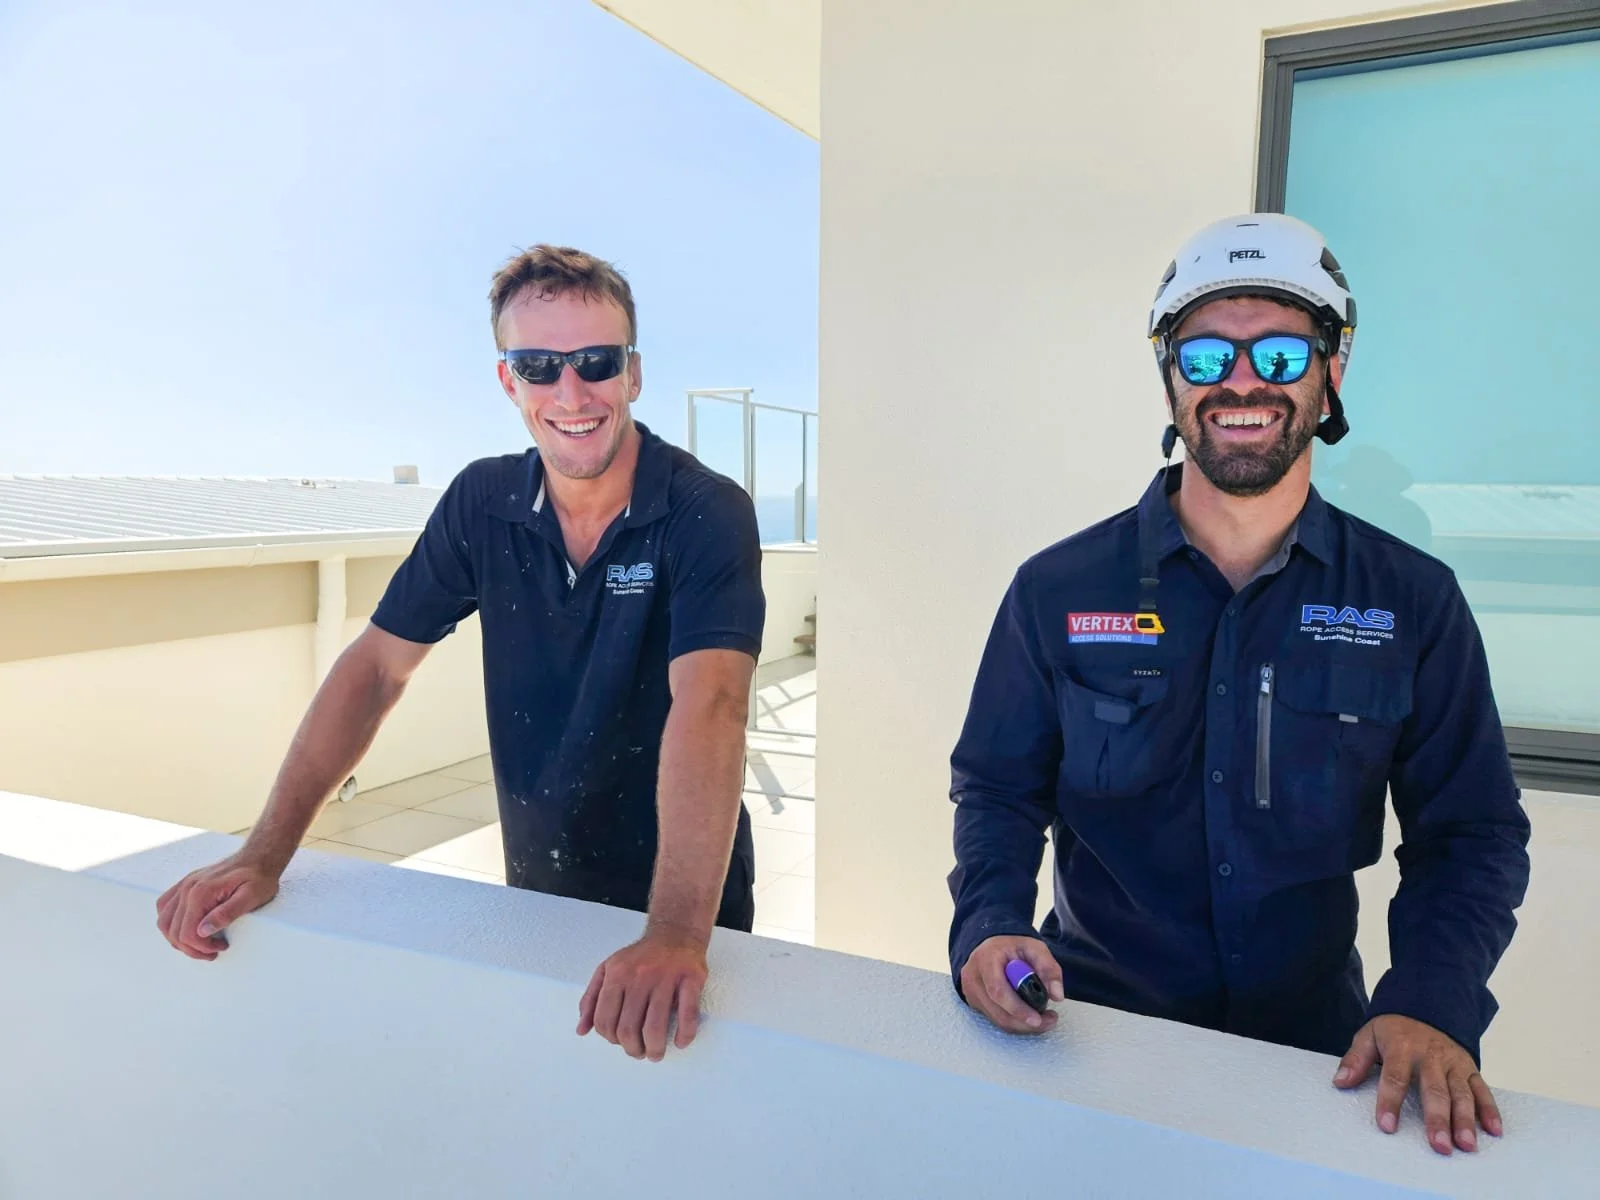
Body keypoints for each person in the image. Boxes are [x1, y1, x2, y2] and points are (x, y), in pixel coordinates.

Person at [946, 213, 1530, 1156]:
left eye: (1282, 353)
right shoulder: (1058, 589)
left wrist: (1433, 998)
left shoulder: (1413, 600)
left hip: (1317, 1065)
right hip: (1089, 1041)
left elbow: (1470, 833)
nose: (1243, 382)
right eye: (1208, 354)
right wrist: (988, 924)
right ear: (1171, 380)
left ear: (1332, 374)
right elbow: (998, 790)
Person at [157, 245, 766, 1063]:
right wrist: (264, 855)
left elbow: (713, 701)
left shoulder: (703, 510)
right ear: (509, 381)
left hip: (687, 903)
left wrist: (675, 935)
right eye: (540, 366)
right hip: (536, 888)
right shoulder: (483, 502)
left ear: (633, 373)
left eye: (596, 362)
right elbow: (377, 668)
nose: (571, 393)